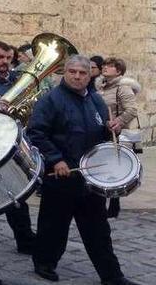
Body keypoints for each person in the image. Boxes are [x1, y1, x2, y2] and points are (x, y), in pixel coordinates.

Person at [27, 55, 140, 285]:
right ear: (65, 73)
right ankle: (44, 263)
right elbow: (36, 133)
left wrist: (112, 129)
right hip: (61, 177)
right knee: (53, 227)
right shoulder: (50, 100)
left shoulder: (97, 101)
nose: (78, 76)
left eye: (83, 73)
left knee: (98, 231)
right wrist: (55, 160)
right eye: (73, 72)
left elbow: (102, 135)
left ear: (90, 75)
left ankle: (112, 276)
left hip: (90, 178)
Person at [0, 41, 36, 253]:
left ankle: (25, 239)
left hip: (10, 141)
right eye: (0, 57)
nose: (5, 62)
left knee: (17, 193)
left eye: (8, 58)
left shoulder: (15, 79)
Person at [96, 57, 141, 218]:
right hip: (104, 133)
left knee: (115, 168)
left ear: (119, 71)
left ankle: (114, 204)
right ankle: (107, 202)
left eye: (110, 66)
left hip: (118, 134)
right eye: (105, 65)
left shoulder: (123, 87)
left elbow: (132, 110)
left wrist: (118, 122)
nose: (105, 67)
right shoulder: (102, 87)